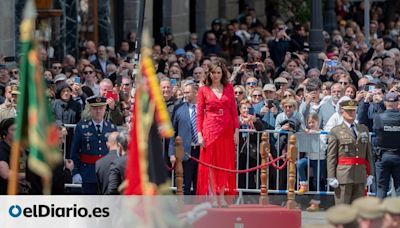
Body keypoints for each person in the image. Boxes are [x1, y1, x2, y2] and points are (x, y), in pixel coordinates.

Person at [196, 61, 239, 207]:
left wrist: (236, 131)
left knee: (225, 163)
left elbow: (234, 111)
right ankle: (213, 195)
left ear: (223, 74)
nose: (216, 75)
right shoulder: (203, 90)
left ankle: (221, 195)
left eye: (219, 72)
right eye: (213, 72)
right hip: (210, 130)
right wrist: (200, 134)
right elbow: (199, 114)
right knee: (211, 165)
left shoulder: (229, 88)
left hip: (227, 130)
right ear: (209, 74)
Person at [327, 99, 374, 204]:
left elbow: (368, 153)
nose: (351, 113)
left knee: (358, 210)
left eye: (353, 110)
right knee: (342, 209)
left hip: (360, 174)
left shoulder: (363, 129)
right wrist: (331, 176)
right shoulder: (336, 131)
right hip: (344, 174)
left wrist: (370, 173)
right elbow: (331, 156)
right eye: (348, 111)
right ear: (342, 112)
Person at [70, 96, 117, 194]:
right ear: (90, 110)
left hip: (106, 174)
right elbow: (74, 152)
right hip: (88, 173)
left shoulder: (111, 127)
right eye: (95, 108)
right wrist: (75, 172)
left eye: (101, 108)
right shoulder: (81, 127)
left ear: (105, 109)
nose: (98, 111)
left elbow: (116, 153)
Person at [168, 82, 200, 195]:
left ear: (196, 93)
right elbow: (172, 132)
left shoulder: (204, 108)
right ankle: (184, 210)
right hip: (185, 152)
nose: (184, 95)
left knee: (199, 184)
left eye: (187, 92)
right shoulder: (178, 108)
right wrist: (172, 153)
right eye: (184, 92)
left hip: (202, 152)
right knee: (184, 184)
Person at [296, 113, 327, 212]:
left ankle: (316, 203)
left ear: (318, 122)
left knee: (317, 181)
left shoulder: (323, 133)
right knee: (300, 164)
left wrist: (315, 136)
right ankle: (303, 184)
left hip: (319, 159)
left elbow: (322, 147)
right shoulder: (308, 132)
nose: (311, 124)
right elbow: (303, 146)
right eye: (309, 122)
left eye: (313, 122)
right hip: (309, 157)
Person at [373, 92, 400, 199]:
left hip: (383, 156)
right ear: (397, 103)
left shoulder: (378, 117)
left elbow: (376, 130)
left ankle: (379, 214)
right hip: (398, 155)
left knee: (381, 188)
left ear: (385, 103)